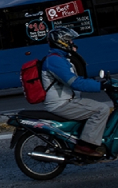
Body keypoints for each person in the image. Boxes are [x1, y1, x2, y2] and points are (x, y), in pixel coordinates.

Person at [41, 27, 110, 158]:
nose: (72, 43)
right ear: (61, 42)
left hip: (67, 101)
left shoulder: (61, 58)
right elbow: (74, 83)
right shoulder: (55, 60)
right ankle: (85, 147)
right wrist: (100, 86)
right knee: (101, 109)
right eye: (69, 40)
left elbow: (77, 78)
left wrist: (96, 81)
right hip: (61, 104)